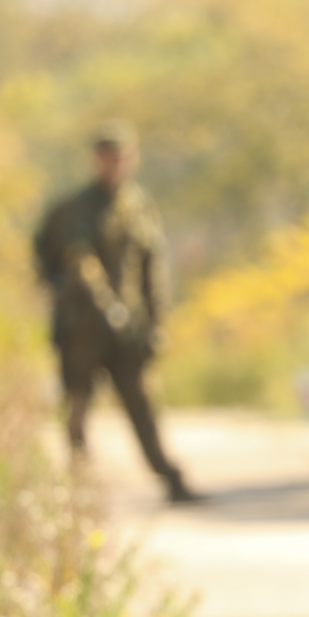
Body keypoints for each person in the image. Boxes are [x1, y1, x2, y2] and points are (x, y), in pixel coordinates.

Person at [34, 120, 198, 503]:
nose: (116, 165)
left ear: (133, 158)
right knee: (78, 406)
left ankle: (170, 478)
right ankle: (79, 490)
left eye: (122, 157)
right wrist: (106, 307)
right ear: (97, 159)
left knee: (142, 404)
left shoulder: (139, 206)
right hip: (84, 328)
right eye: (109, 157)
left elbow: (153, 268)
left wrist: (157, 322)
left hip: (129, 327)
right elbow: (79, 260)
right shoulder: (77, 207)